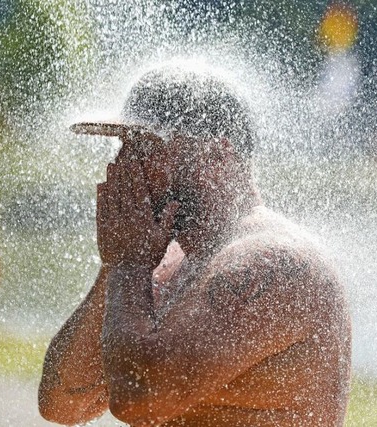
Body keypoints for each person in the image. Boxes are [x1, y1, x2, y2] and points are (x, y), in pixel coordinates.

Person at [38, 64, 351, 426]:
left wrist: (128, 264)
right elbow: (62, 405)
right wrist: (116, 266)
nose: (125, 164)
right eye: (123, 147)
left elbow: (138, 398)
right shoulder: (163, 264)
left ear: (219, 154)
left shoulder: (275, 262)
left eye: (145, 146)